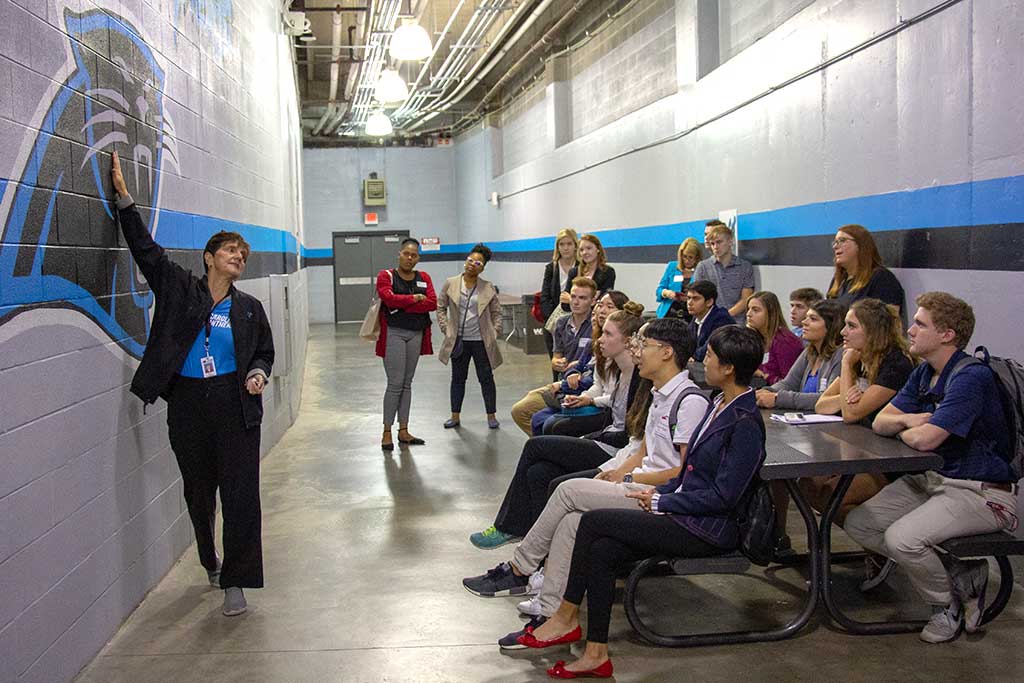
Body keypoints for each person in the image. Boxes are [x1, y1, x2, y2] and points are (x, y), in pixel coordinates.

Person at [517, 326, 766, 678]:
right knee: (597, 543)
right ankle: (596, 652)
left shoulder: (744, 421)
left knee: (591, 521)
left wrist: (663, 502)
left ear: (728, 368)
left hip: (706, 526)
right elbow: (689, 472)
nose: (702, 361)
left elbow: (725, 496)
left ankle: (563, 615)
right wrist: (659, 492)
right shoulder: (719, 404)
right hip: (682, 507)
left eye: (709, 356)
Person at [461, 319, 709, 642]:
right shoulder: (660, 394)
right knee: (571, 522)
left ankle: (520, 567)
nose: (638, 351)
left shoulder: (689, 403)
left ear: (666, 352)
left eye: (644, 345)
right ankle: (553, 614)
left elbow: (681, 473)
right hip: (635, 480)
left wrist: (630, 477)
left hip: (655, 494)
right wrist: (619, 472)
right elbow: (645, 450)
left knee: (567, 491)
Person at [110, 152, 274, 617]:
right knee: (199, 491)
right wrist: (125, 202)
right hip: (187, 401)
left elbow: (263, 351)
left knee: (241, 493)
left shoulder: (248, 309)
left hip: (235, 403)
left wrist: (258, 372)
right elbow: (146, 251)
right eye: (229, 251)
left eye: (242, 254)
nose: (238, 257)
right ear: (209, 258)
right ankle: (210, 560)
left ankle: (237, 583)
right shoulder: (180, 288)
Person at [845, 292, 1019, 644]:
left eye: (920, 324)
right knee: (859, 523)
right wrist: (912, 419)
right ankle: (960, 571)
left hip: (981, 493)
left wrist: (912, 428)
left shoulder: (971, 377)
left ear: (948, 334)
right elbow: (881, 421)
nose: (909, 330)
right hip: (934, 480)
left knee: (902, 539)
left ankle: (946, 606)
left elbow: (926, 441)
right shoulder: (925, 372)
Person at [469, 309, 647, 551]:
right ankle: (540, 543)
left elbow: (630, 435)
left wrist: (598, 441)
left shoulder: (639, 377)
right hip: (606, 440)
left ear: (627, 341)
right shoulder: (616, 370)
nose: (600, 339)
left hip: (615, 450)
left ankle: (509, 527)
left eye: (607, 333)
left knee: (536, 445)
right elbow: (607, 402)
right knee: (538, 472)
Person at [532, 291, 628, 437]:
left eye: (609, 306)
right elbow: (593, 379)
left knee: (550, 424)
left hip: (606, 411)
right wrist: (582, 395)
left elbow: (617, 398)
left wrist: (587, 398)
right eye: (600, 305)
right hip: (585, 394)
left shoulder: (624, 357)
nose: (602, 311)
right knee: (538, 419)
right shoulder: (595, 344)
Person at [511, 278, 596, 435]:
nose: (576, 302)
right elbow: (555, 358)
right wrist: (558, 363)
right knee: (520, 410)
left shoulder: (597, 326)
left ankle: (549, 443)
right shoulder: (561, 323)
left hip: (585, 386)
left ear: (593, 300)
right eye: (573, 296)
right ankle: (546, 442)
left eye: (582, 298)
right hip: (563, 382)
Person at [375, 238, 438, 451]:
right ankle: (386, 431)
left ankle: (403, 430)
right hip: (394, 333)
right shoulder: (386, 276)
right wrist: (415, 299)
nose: (410, 258)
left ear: (418, 258)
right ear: (399, 254)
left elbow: (432, 303)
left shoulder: (424, 277)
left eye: (414, 255)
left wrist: (405, 303)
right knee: (395, 383)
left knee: (407, 383)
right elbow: (388, 300)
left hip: (415, 334)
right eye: (406, 254)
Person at [437, 244, 502, 429]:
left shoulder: (487, 287)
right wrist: (445, 328)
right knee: (458, 378)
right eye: (470, 260)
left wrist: (494, 331)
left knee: (486, 378)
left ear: (483, 267)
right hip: (459, 341)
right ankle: (455, 416)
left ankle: (491, 416)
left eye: (478, 262)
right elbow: (441, 306)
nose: (472, 264)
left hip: (481, 341)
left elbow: (497, 312)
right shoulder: (451, 283)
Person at [756, 299, 846, 411]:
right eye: (807, 317)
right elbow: (788, 383)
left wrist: (777, 398)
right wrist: (767, 391)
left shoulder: (841, 355)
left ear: (831, 326)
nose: (804, 322)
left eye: (813, 319)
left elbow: (826, 400)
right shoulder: (809, 352)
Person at [827, 224, 905, 319]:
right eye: (835, 242)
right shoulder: (838, 281)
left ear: (861, 245)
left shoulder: (881, 279)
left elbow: (889, 325)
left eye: (842, 240)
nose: (835, 246)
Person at [692, 223, 754, 324]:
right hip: (709, 322)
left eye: (719, 242)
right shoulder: (703, 267)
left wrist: (725, 316)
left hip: (736, 323)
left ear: (730, 242)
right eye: (712, 244)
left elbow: (746, 298)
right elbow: (698, 297)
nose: (715, 247)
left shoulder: (745, 267)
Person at [540, 228, 579, 376]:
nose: (566, 247)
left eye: (569, 243)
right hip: (555, 320)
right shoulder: (552, 267)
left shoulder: (581, 267)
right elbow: (545, 295)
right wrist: (552, 319)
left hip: (575, 316)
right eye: (562, 244)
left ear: (575, 245)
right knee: (556, 362)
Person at [746, 290, 804, 385]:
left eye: (755, 310)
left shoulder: (785, 341)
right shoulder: (756, 337)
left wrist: (764, 375)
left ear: (770, 313)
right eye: (748, 309)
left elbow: (789, 384)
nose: (748, 314)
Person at [559, 234, 615, 311]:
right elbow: (564, 305)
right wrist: (588, 300)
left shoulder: (608, 272)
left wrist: (571, 299)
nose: (585, 252)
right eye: (581, 250)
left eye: (589, 248)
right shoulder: (574, 272)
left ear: (598, 249)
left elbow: (601, 305)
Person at [686, 280, 734, 362]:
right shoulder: (696, 316)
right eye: (688, 298)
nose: (689, 303)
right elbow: (687, 343)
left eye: (695, 298)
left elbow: (708, 349)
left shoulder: (722, 319)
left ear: (709, 302)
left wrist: (692, 357)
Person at [655, 237, 702, 320]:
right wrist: (667, 293)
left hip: (691, 316)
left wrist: (690, 298)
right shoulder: (672, 267)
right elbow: (659, 290)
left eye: (690, 257)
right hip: (669, 313)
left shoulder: (702, 270)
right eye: (684, 256)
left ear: (697, 257)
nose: (686, 260)